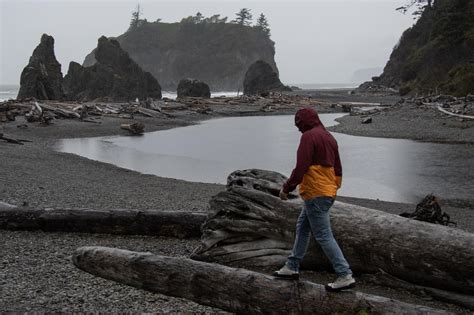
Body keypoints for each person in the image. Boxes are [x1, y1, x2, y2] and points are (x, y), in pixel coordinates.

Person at [273, 107, 355, 292]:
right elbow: (339, 169)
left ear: (305, 122)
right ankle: (292, 266)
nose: (298, 128)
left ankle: (344, 274)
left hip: (315, 194)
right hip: (326, 192)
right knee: (302, 228)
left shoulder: (309, 137)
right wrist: (333, 188)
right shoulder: (329, 137)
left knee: (323, 235)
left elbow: (301, 167)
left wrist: (286, 188)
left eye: (299, 124)